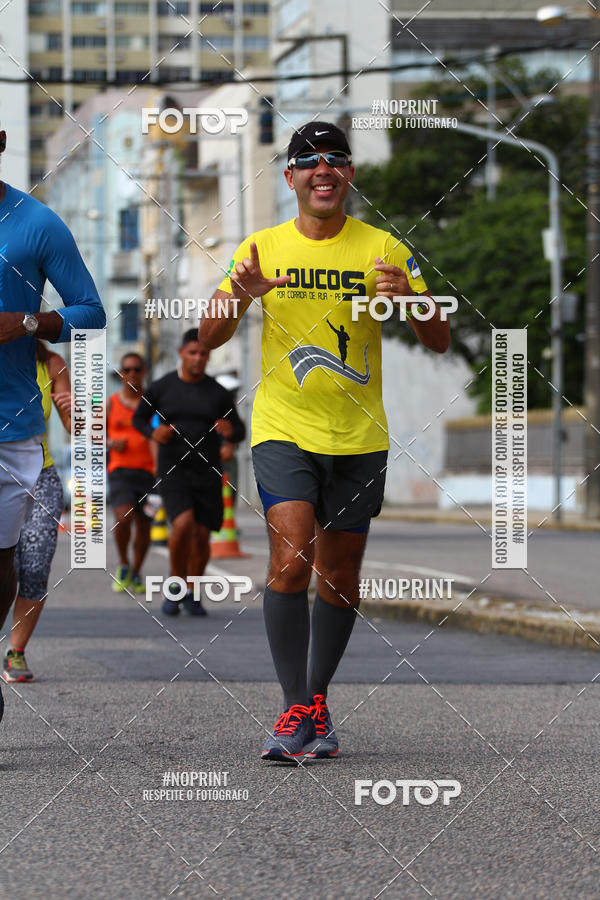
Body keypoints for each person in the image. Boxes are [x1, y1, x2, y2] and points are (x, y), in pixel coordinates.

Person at [200, 120, 450, 761]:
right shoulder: (260, 247)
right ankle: (292, 711)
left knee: (340, 577)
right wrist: (236, 293)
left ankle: (316, 700)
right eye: (307, 160)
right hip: (284, 427)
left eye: (334, 158)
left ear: (349, 175)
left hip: (360, 436)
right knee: (290, 557)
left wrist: (412, 302)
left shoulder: (385, 249)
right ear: (289, 178)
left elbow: (440, 338)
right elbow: (208, 337)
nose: (322, 169)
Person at [0, 127, 105, 718]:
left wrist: (30, 323)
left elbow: (91, 311)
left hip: (10, 429)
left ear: (0, 139)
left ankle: (8, 651)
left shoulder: (36, 222)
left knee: (13, 560)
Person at [132, 330, 246, 617]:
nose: (198, 359)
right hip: (174, 469)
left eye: (203, 354)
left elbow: (240, 430)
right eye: (192, 353)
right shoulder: (161, 388)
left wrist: (231, 436)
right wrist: (154, 432)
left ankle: (192, 592)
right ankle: (175, 585)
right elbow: (139, 419)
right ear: (181, 354)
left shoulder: (217, 393)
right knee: (182, 525)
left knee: (201, 535)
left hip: (208, 471)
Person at [2, 342, 71, 682]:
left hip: (39, 476)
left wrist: (77, 411)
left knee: (35, 563)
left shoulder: (52, 364)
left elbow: (77, 428)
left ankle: (15, 651)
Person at [108, 352, 156, 593]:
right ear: (121, 374)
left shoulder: (152, 404)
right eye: (127, 370)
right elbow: (92, 433)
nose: (133, 374)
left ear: (144, 371)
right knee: (123, 518)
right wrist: (109, 443)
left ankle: (136, 572)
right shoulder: (111, 403)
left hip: (149, 473)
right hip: (120, 471)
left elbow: (162, 433)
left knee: (145, 526)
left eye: (137, 369)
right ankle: (124, 564)